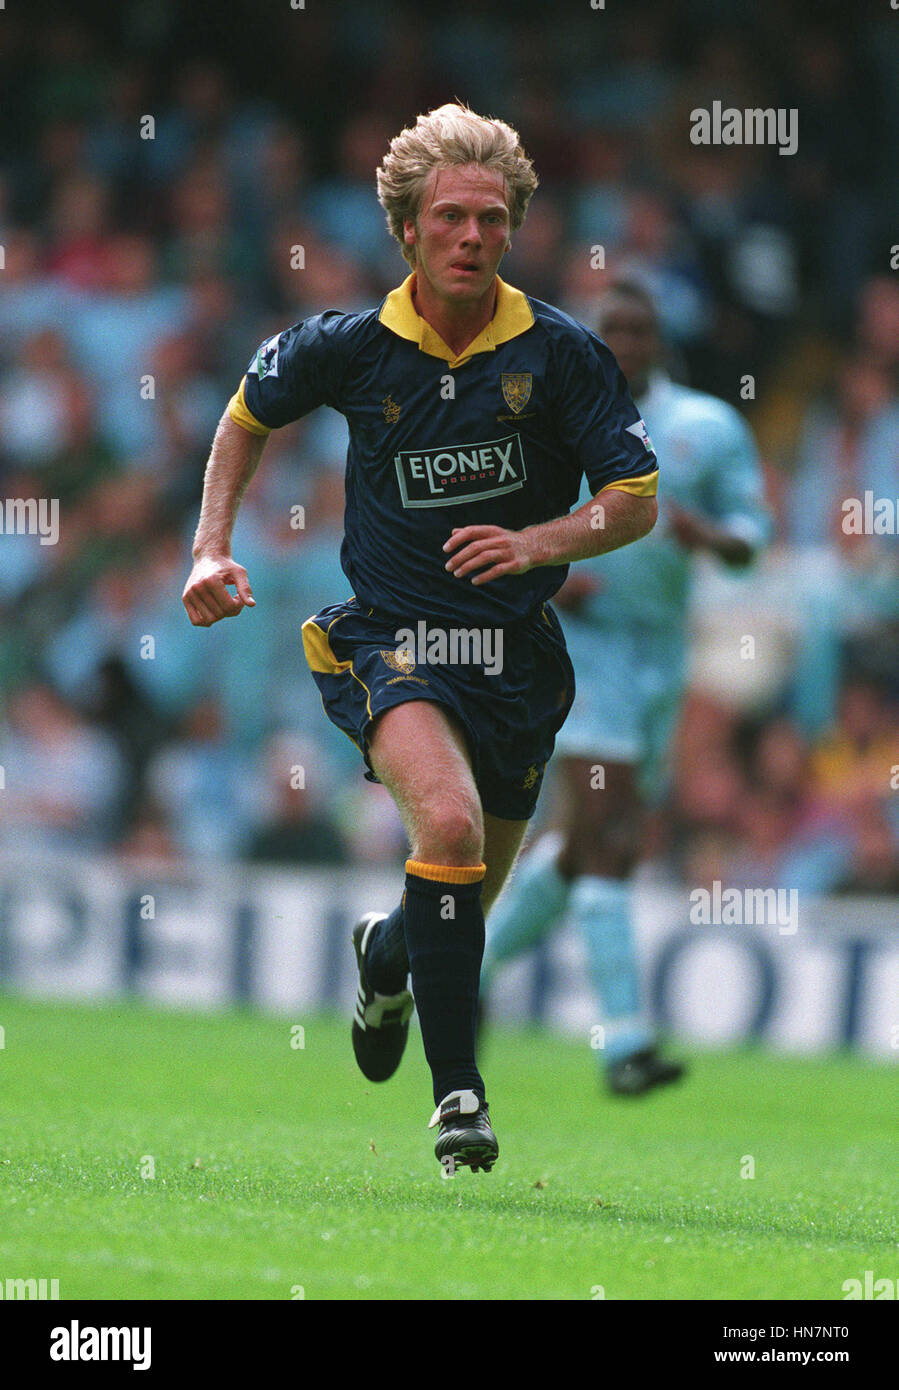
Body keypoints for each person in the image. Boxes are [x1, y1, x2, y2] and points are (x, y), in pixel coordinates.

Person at [182, 106, 659, 1173]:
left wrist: (538, 539)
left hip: (516, 663)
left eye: (491, 218)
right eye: (449, 216)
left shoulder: (561, 356)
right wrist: (210, 546)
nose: (472, 237)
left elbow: (633, 497)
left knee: (455, 898)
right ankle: (459, 1101)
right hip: (388, 639)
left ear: (513, 228)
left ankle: (386, 957)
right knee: (441, 825)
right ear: (406, 228)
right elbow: (243, 417)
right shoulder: (347, 345)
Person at [481, 280, 771, 1096]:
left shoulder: (707, 428)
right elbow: (491, 515)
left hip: (660, 652)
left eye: (639, 329)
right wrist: (549, 567)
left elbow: (754, 534)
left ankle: (470, 970)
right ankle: (626, 1043)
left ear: (660, 340)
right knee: (606, 824)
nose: (626, 342)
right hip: (582, 648)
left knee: (596, 845)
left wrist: (709, 534)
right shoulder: (545, 418)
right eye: (611, 329)